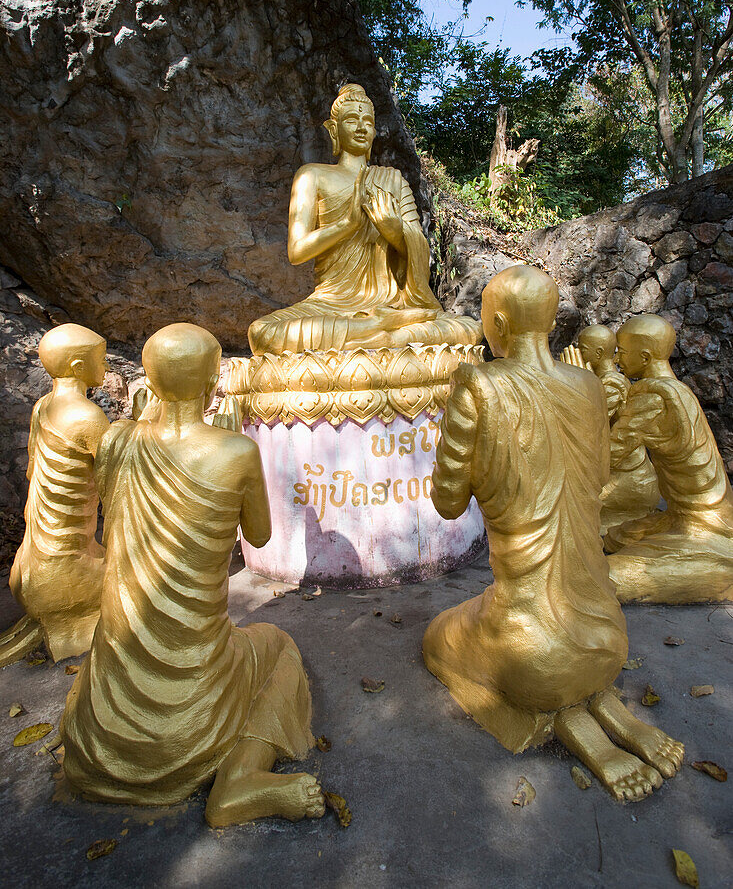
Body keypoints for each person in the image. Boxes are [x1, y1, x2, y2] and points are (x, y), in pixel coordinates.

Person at [423, 267, 683, 801]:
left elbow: (447, 502)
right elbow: (600, 476)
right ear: (551, 320)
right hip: (608, 636)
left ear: (496, 322)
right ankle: (605, 710)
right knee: (559, 641)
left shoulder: (478, 384)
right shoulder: (589, 387)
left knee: (436, 638)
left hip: (530, 652)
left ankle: (568, 722)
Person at [61, 323, 323, 827]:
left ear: (148, 385)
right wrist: (228, 440)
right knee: (277, 645)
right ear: (212, 387)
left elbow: (116, 507)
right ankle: (242, 777)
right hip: (198, 702)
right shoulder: (234, 452)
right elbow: (261, 536)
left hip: (106, 729)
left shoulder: (115, 442)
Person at [248, 84, 482, 354]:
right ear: (334, 129)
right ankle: (383, 332)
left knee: (468, 328)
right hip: (330, 304)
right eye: (351, 120)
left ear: (373, 131)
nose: (361, 128)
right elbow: (297, 252)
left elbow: (419, 249)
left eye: (368, 122)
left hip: (390, 302)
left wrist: (394, 231)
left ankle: (380, 330)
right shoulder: (312, 175)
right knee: (263, 333)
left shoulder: (393, 180)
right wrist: (347, 224)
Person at [605, 313, 733, 603]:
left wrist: (583, 402)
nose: (616, 360)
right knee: (615, 536)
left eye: (622, 353)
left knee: (606, 577)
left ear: (646, 356)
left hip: (704, 525)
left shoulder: (654, 397)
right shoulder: (677, 388)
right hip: (682, 516)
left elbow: (610, 455)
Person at [1, 324, 109, 665]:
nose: (107, 367)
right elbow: (120, 489)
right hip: (66, 577)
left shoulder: (44, 406)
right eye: (102, 359)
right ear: (78, 367)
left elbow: (35, 471)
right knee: (153, 571)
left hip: (26, 571)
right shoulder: (87, 416)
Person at [577, 324, 660, 533]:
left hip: (629, 478)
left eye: (583, 348)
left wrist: (578, 386)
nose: (578, 353)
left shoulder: (612, 384)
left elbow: (588, 425)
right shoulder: (600, 381)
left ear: (597, 353)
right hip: (610, 472)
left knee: (573, 504)